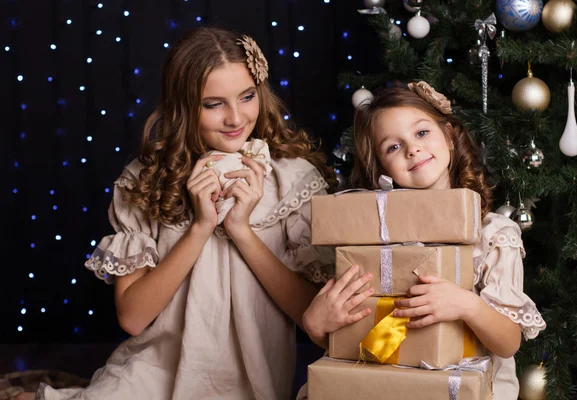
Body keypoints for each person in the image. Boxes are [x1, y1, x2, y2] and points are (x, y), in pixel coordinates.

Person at [27, 26, 335, 400]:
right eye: (213, 103)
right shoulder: (144, 181)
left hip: (250, 385)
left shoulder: (293, 179)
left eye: (247, 96)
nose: (236, 118)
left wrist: (241, 231)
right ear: (184, 106)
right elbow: (133, 318)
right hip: (151, 374)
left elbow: (313, 318)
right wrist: (201, 227)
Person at [301, 82, 547, 399]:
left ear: (447, 135)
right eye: (392, 147)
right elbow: (356, 336)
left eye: (421, 133)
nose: (412, 149)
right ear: (380, 168)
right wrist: (315, 325)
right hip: (389, 387)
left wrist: (466, 305)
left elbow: (508, 342)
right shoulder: (371, 241)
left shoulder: (492, 235)